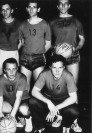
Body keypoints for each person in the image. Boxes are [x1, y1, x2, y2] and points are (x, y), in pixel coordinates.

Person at [50, 0, 85, 132]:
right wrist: (55, 48)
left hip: (73, 56)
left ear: (69, 6)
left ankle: (74, 121)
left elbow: (82, 39)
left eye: (66, 3)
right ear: (57, 6)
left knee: (72, 88)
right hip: (57, 58)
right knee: (58, 89)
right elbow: (47, 41)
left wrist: (75, 48)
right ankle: (59, 117)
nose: (63, 6)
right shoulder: (52, 21)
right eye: (61, 3)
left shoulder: (76, 20)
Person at [29, 54, 80, 133]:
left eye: (60, 67)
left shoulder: (68, 76)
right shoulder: (44, 74)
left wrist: (56, 108)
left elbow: (73, 98)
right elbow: (34, 91)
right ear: (50, 67)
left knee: (74, 111)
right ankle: (39, 127)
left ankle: (67, 125)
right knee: (32, 101)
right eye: (54, 67)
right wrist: (48, 102)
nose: (57, 71)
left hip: (62, 104)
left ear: (64, 67)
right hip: (49, 103)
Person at [0, 58, 33, 132]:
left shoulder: (22, 78)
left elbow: (18, 97)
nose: (11, 72)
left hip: (21, 102)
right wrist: (0, 113)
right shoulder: (1, 79)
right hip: (8, 103)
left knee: (24, 110)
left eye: (14, 69)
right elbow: (0, 98)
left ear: (17, 69)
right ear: (4, 70)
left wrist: (12, 115)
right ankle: (11, 116)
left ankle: (27, 119)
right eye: (8, 69)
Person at [18, 0, 51, 92]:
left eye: (34, 7)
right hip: (24, 58)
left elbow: (48, 44)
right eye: (30, 7)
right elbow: (22, 42)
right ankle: (25, 106)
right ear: (27, 9)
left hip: (39, 57)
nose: (32, 9)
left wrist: (40, 54)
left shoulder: (45, 24)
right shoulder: (22, 25)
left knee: (38, 87)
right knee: (25, 86)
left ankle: (36, 106)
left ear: (38, 9)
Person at [0, 2, 22, 77]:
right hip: (1, 52)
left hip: (13, 52)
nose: (5, 12)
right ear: (1, 12)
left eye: (7, 9)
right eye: (3, 10)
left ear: (12, 10)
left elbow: (21, 42)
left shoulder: (19, 23)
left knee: (13, 78)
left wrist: (14, 49)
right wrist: (1, 49)